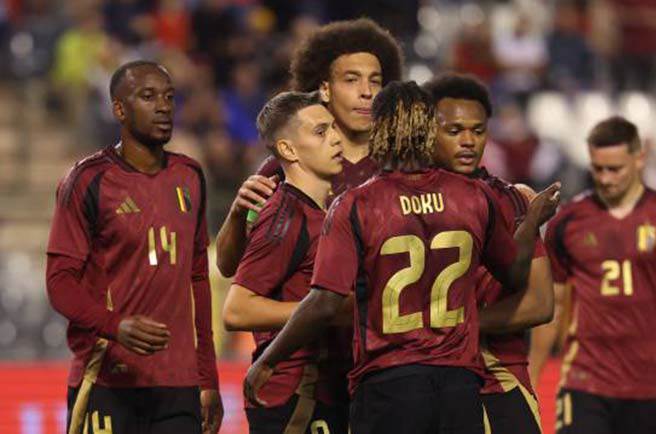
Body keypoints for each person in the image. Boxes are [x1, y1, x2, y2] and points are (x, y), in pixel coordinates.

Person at [245, 81, 560, 434]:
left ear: (378, 129)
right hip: (459, 385)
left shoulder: (357, 204)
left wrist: (269, 359)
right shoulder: (474, 196)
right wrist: (532, 221)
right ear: (429, 130)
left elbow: (324, 303)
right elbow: (515, 275)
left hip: (388, 382)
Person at [46, 60, 223, 434]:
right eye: (148, 96)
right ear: (119, 109)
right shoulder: (88, 180)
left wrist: (207, 376)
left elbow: (198, 281)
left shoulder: (190, 176)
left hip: (178, 385)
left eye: (170, 97)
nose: (163, 106)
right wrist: (114, 326)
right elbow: (59, 283)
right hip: (108, 380)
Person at [529, 116, 656, 434]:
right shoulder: (568, 222)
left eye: (615, 169)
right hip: (584, 381)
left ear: (639, 159)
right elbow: (553, 304)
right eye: (598, 169)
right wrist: (532, 374)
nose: (606, 178)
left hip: (651, 385)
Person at [215, 17, 404, 277]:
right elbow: (227, 266)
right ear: (325, 89)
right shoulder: (283, 167)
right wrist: (237, 216)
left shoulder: (403, 164)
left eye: (375, 81)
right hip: (311, 315)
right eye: (351, 80)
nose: (366, 92)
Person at [424, 72, 553, 434]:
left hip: (500, 377)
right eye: (454, 131)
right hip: (421, 380)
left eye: (478, 131)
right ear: (426, 131)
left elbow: (541, 304)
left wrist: (457, 326)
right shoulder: (393, 198)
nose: (468, 141)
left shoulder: (512, 201)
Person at [221, 91, 348, 433]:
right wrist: (324, 308)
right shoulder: (286, 216)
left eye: (334, 128)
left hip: (327, 389)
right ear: (288, 150)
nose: (336, 138)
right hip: (292, 396)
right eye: (321, 132)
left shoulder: (326, 209)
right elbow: (236, 311)